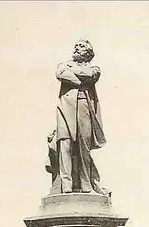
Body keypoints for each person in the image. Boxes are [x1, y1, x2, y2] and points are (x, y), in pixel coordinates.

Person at [55, 39, 107, 193]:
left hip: (84, 106)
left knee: (84, 144)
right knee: (65, 143)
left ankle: (86, 183)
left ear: (89, 53)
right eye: (76, 46)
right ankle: (66, 183)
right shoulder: (64, 65)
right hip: (65, 107)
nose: (77, 48)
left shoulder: (94, 68)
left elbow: (91, 75)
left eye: (82, 46)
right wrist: (80, 81)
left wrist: (74, 75)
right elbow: (60, 73)